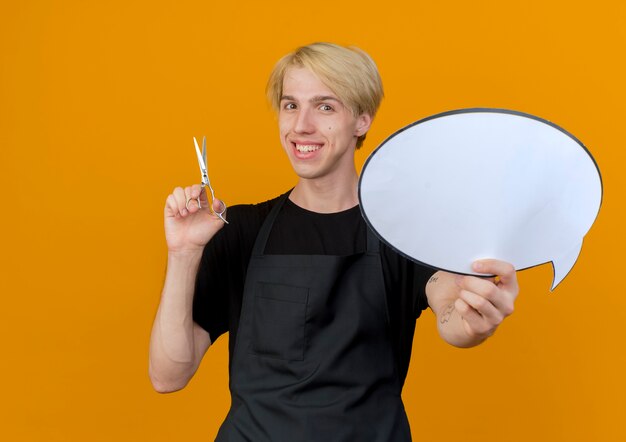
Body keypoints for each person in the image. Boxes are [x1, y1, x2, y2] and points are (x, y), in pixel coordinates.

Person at [149, 42, 519, 441]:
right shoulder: (241, 229)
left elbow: (452, 316)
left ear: (362, 120)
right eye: (290, 105)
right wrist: (183, 253)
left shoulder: (404, 232)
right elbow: (168, 375)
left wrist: (475, 316)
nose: (301, 125)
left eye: (325, 106)